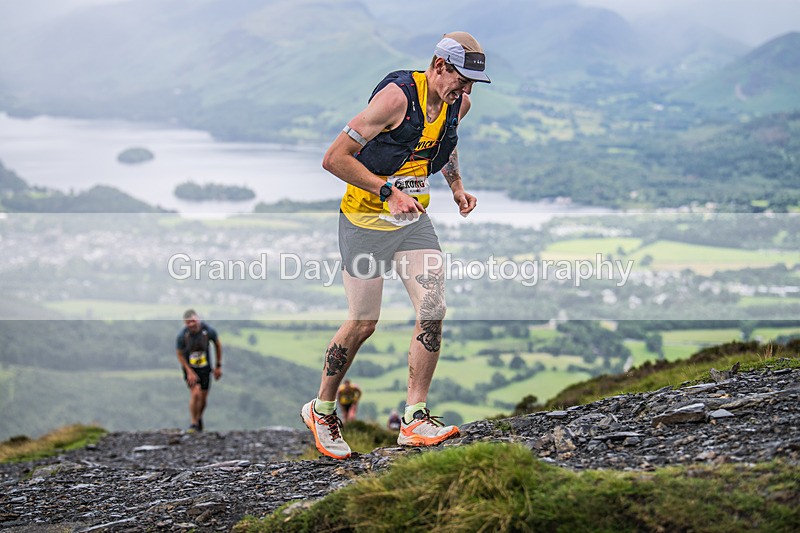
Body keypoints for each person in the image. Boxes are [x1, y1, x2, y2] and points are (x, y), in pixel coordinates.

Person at [301, 31, 490, 459]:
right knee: (363, 323)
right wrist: (387, 192)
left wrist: (457, 187)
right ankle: (323, 408)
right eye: (461, 79)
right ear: (439, 66)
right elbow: (334, 158)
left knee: (433, 308)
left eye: (472, 83)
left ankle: (414, 417)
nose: (466, 90)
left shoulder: (459, 103)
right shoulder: (395, 99)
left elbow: (444, 143)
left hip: (411, 222)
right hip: (365, 220)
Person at [176, 309, 222, 432]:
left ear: (198, 319)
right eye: (188, 323)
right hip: (190, 368)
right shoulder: (182, 336)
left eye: (193, 321)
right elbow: (179, 354)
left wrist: (218, 365)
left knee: (203, 397)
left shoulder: (208, 331)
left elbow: (217, 345)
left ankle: (199, 418)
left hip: (205, 368)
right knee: (195, 393)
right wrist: (189, 371)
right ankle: (194, 423)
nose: (191, 325)